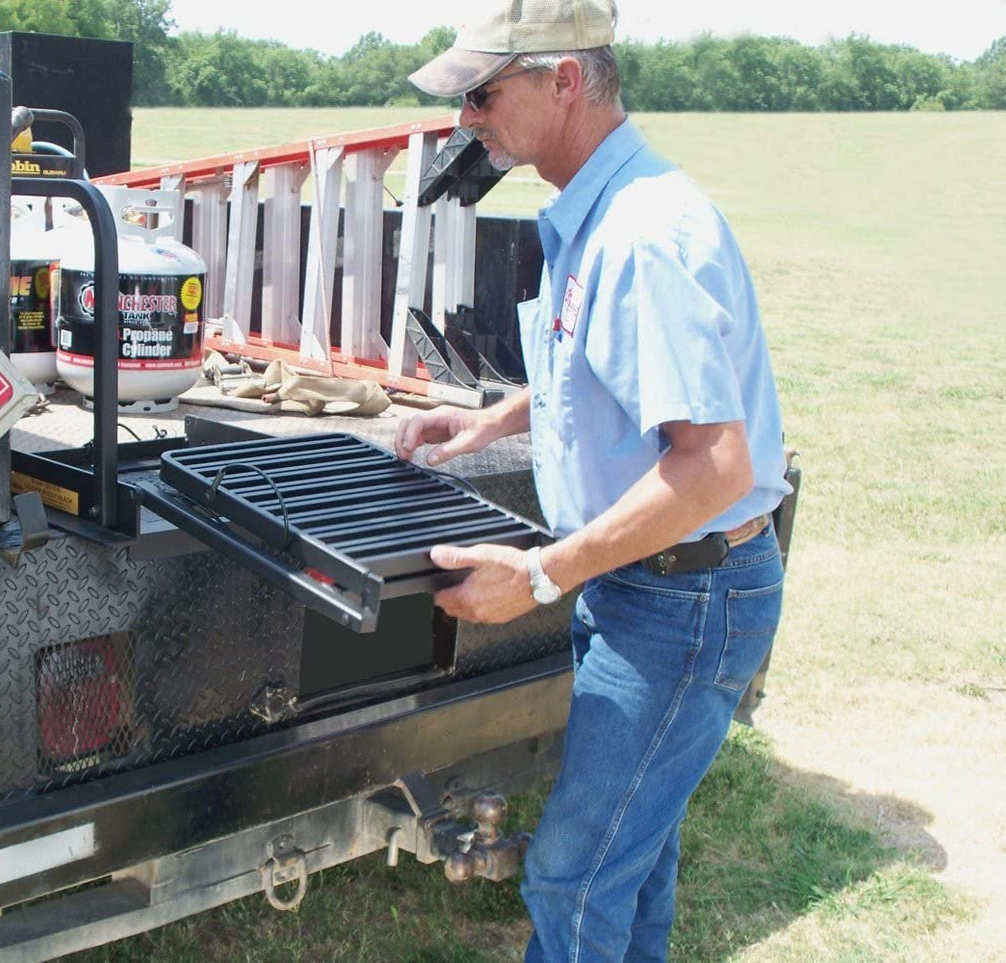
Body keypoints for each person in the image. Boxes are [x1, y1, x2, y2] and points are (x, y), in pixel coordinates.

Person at [398, 2, 793, 960]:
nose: (467, 120)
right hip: (648, 585)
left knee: (573, 872)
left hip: (685, 597)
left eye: (483, 93)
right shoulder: (596, 209)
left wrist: (540, 574)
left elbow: (711, 465)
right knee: (632, 855)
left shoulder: (643, 233)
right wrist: (497, 415)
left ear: (563, 80)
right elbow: (612, 372)